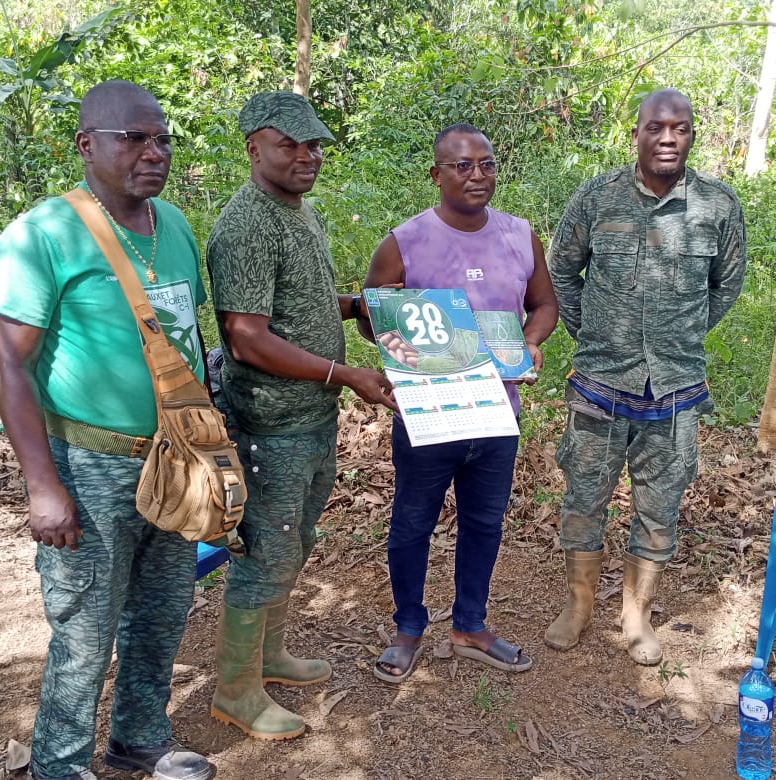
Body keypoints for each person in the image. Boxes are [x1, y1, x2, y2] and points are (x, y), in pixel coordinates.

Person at [0, 80, 210, 780]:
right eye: (133, 138)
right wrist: (43, 486)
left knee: (164, 612)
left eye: (163, 138)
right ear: (88, 145)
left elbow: (187, 336)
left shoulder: (173, 225)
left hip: (171, 458)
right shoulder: (41, 236)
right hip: (87, 462)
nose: (153, 151)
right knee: (84, 627)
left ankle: (140, 738)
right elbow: (8, 364)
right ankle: (59, 762)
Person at [206, 91, 398, 739]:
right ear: (253, 148)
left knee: (295, 541)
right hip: (269, 425)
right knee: (266, 549)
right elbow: (246, 337)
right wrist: (346, 375)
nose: (305, 155)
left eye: (313, 144)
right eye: (288, 144)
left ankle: (270, 656)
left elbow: (297, 300)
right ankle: (236, 690)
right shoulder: (246, 225)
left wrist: (358, 306)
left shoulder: (299, 213)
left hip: (310, 417)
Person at [544, 89, 747, 665]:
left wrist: (679, 335)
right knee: (584, 498)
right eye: (655, 127)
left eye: (679, 128)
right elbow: (562, 268)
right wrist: (593, 333)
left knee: (660, 507)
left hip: (676, 389)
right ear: (635, 132)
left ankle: (636, 613)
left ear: (690, 134)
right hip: (600, 383)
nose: (667, 138)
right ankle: (579, 604)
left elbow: (726, 285)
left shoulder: (717, 205)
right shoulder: (597, 197)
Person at [361, 122, 559, 683]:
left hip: (498, 413)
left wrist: (530, 342)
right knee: (412, 523)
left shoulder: (521, 236)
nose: (477, 175)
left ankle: (471, 624)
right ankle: (408, 627)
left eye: (487, 164)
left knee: (484, 523)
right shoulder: (404, 242)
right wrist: (395, 344)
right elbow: (377, 316)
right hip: (432, 413)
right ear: (437, 174)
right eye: (462, 165)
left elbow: (544, 304)